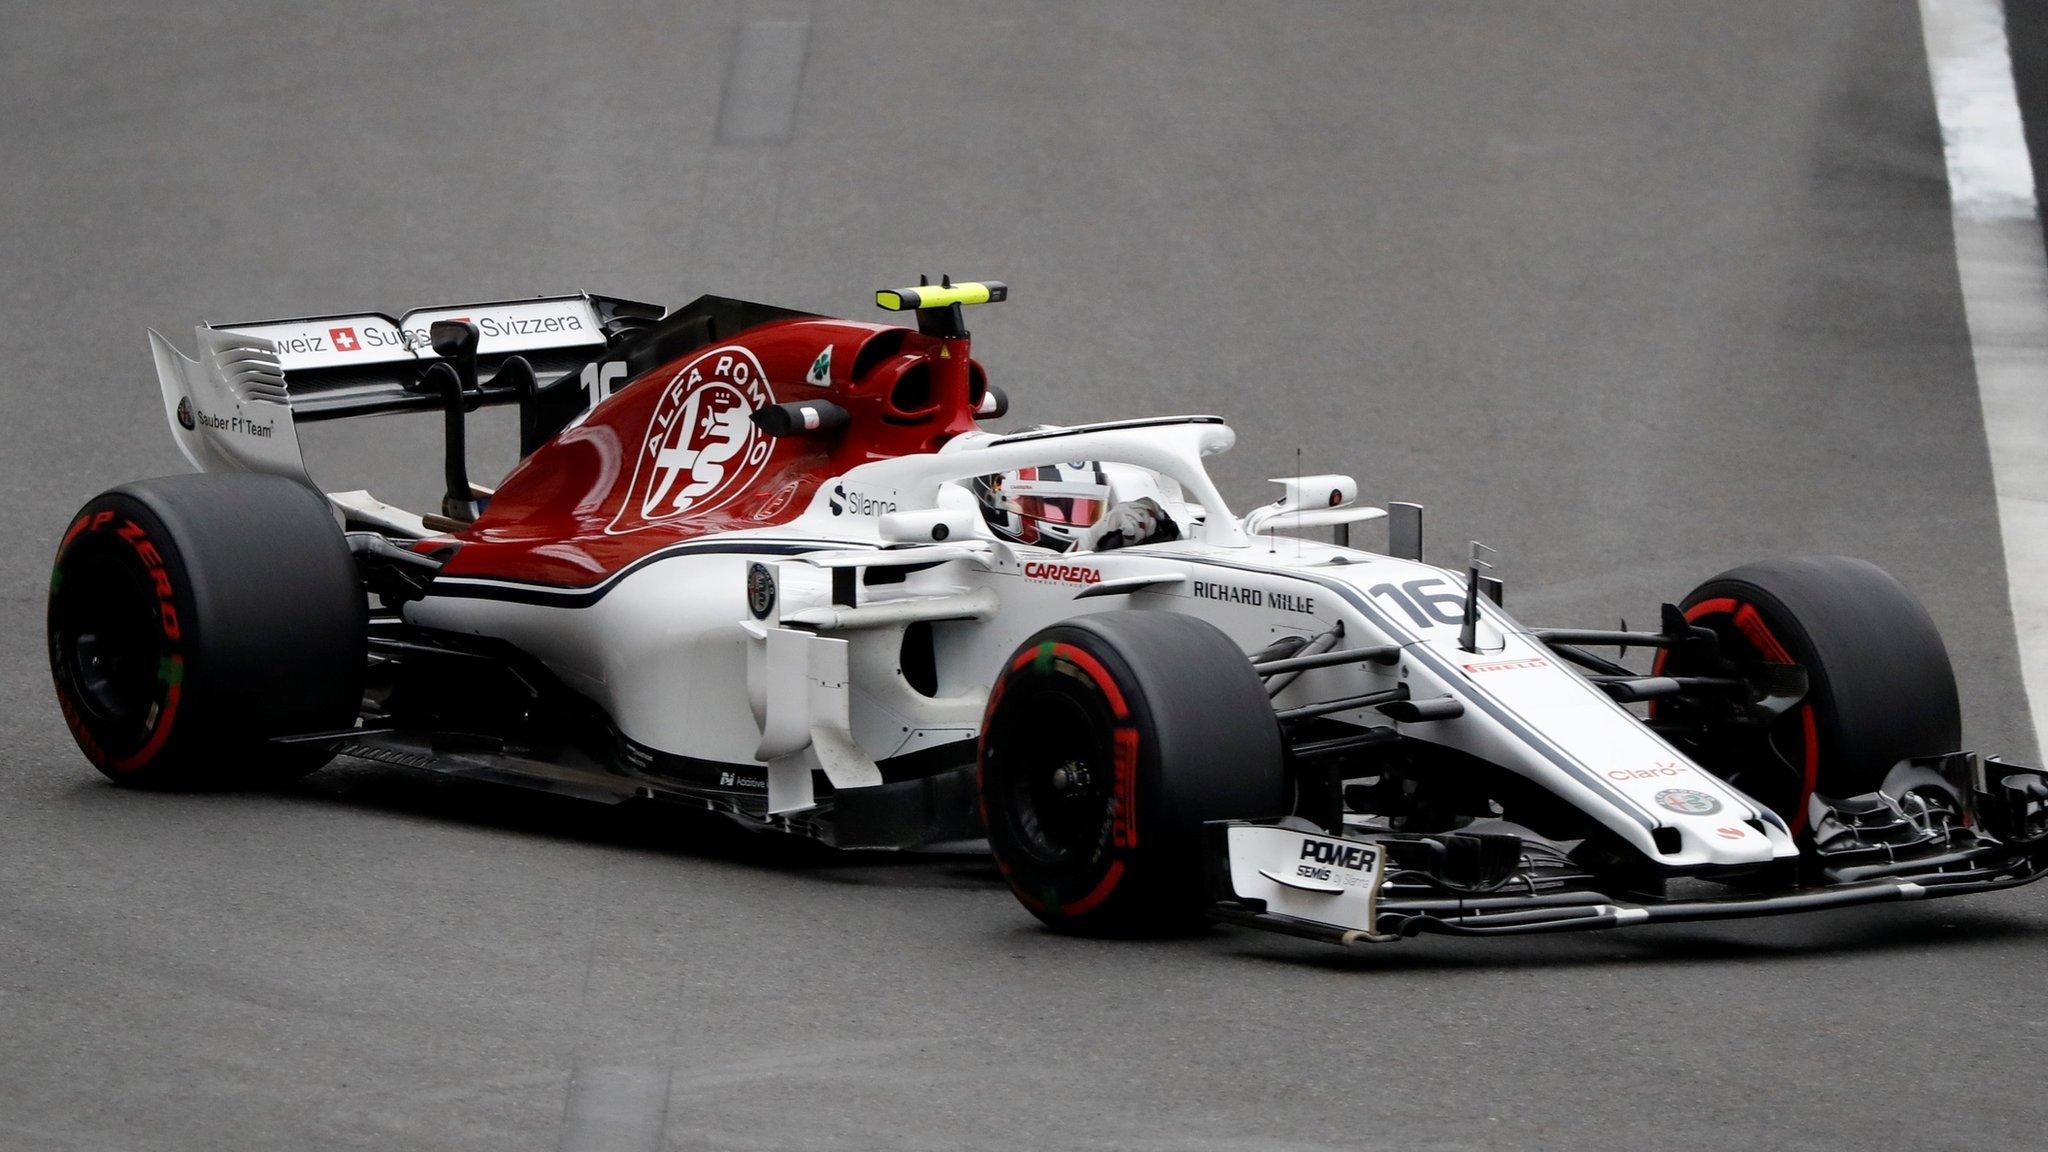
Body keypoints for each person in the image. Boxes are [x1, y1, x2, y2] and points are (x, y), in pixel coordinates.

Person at [971, 462, 1181, 552]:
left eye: (1084, 508)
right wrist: (1086, 546)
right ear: (997, 499)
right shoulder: (966, 558)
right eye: (1051, 506)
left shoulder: (1108, 538)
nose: (1071, 518)